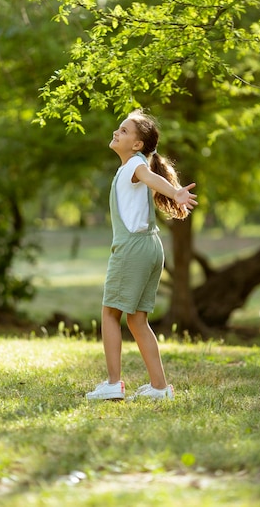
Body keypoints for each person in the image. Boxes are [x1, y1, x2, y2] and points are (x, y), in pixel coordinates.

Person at [86, 109, 197, 401]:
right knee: (137, 320)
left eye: (123, 131)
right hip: (151, 246)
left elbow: (150, 177)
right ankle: (160, 388)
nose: (116, 132)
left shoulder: (135, 166)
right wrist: (173, 193)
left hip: (133, 248)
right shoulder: (131, 166)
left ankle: (112, 383)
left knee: (110, 313)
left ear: (137, 144)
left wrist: (174, 193)